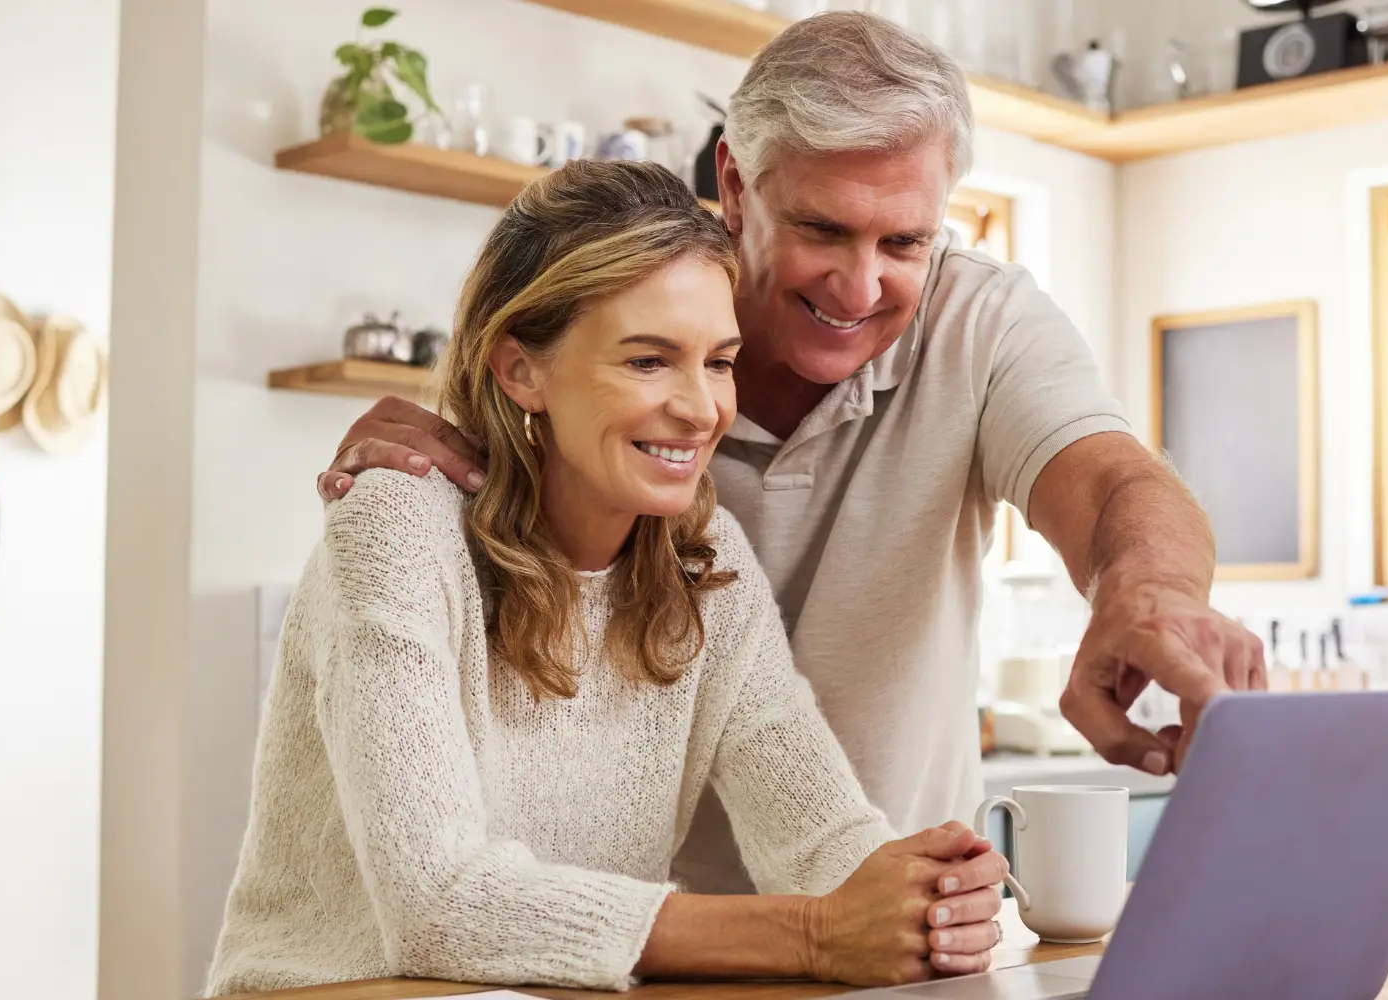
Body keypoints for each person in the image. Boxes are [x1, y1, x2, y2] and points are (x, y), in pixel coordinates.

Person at [316, 12, 1267, 895]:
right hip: (623, 942)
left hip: (868, 921)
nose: (861, 286)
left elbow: (1112, 485)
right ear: (734, 184)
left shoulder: (981, 324)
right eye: (822, 228)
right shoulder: (612, 346)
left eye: (906, 240)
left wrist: (1148, 594)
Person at [206, 161, 1008, 996]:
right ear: (520, 370)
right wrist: (814, 934)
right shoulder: (399, 526)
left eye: (719, 362)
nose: (701, 409)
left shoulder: (707, 563)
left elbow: (822, 842)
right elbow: (440, 903)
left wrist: (924, 895)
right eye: (649, 361)